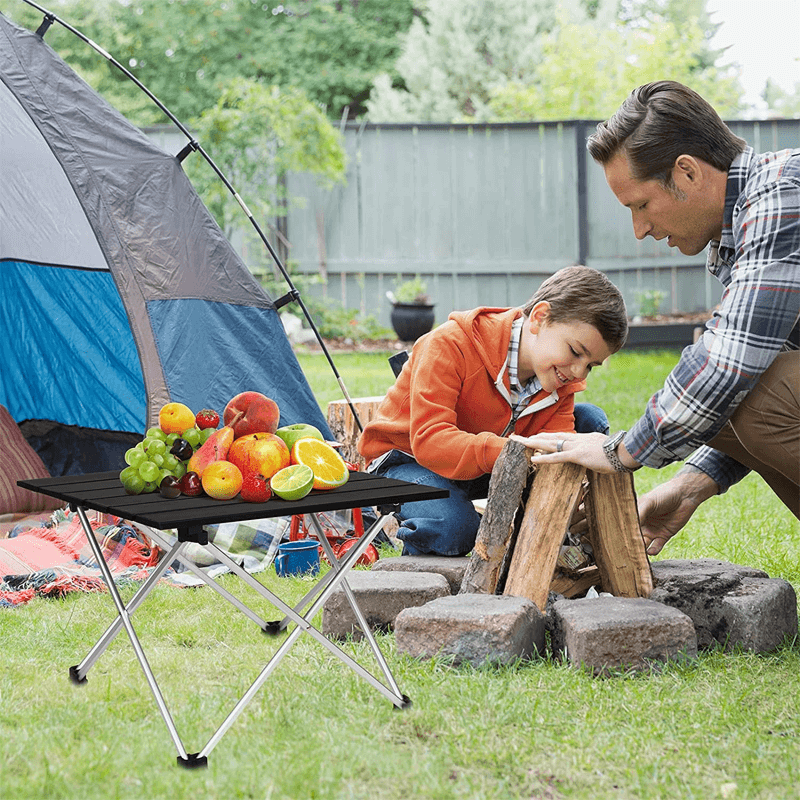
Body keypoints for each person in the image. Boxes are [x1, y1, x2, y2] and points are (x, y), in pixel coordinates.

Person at [519, 81, 799, 555]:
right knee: (730, 389)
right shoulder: (748, 223)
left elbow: (729, 369)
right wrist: (691, 485)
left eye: (641, 205)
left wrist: (618, 451)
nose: (640, 229)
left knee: (740, 382)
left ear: (687, 172)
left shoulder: (781, 199)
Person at [357, 265, 628, 556]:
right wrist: (512, 451)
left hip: (482, 466)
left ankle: (545, 537)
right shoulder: (450, 344)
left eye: (590, 365)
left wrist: (560, 493)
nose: (578, 372)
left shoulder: (559, 379)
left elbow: (551, 454)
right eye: (575, 351)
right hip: (408, 460)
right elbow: (431, 441)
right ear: (539, 318)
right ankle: (446, 539)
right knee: (453, 530)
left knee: (589, 422)